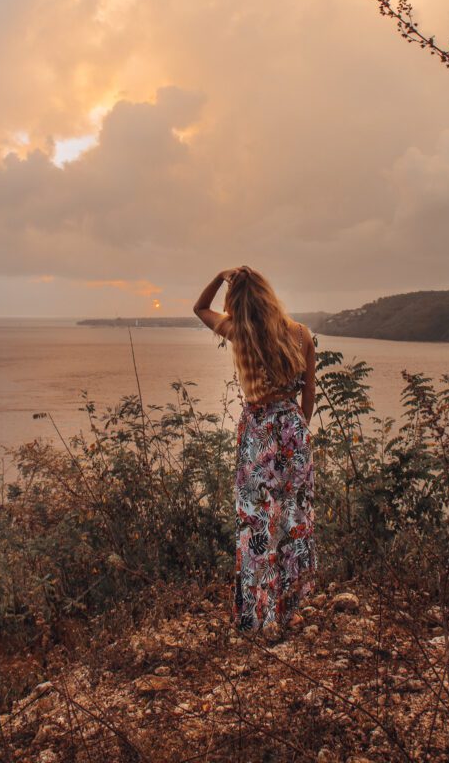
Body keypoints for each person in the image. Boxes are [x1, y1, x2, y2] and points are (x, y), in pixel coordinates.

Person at [193, 265, 318, 636]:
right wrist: (297, 432)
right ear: (268, 295)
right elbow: (308, 395)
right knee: (293, 521)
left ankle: (257, 615)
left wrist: (218, 277)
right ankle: (289, 609)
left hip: (258, 434)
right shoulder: (301, 334)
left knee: (256, 523)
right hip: (294, 432)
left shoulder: (241, 335)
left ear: (237, 303)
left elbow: (200, 309)